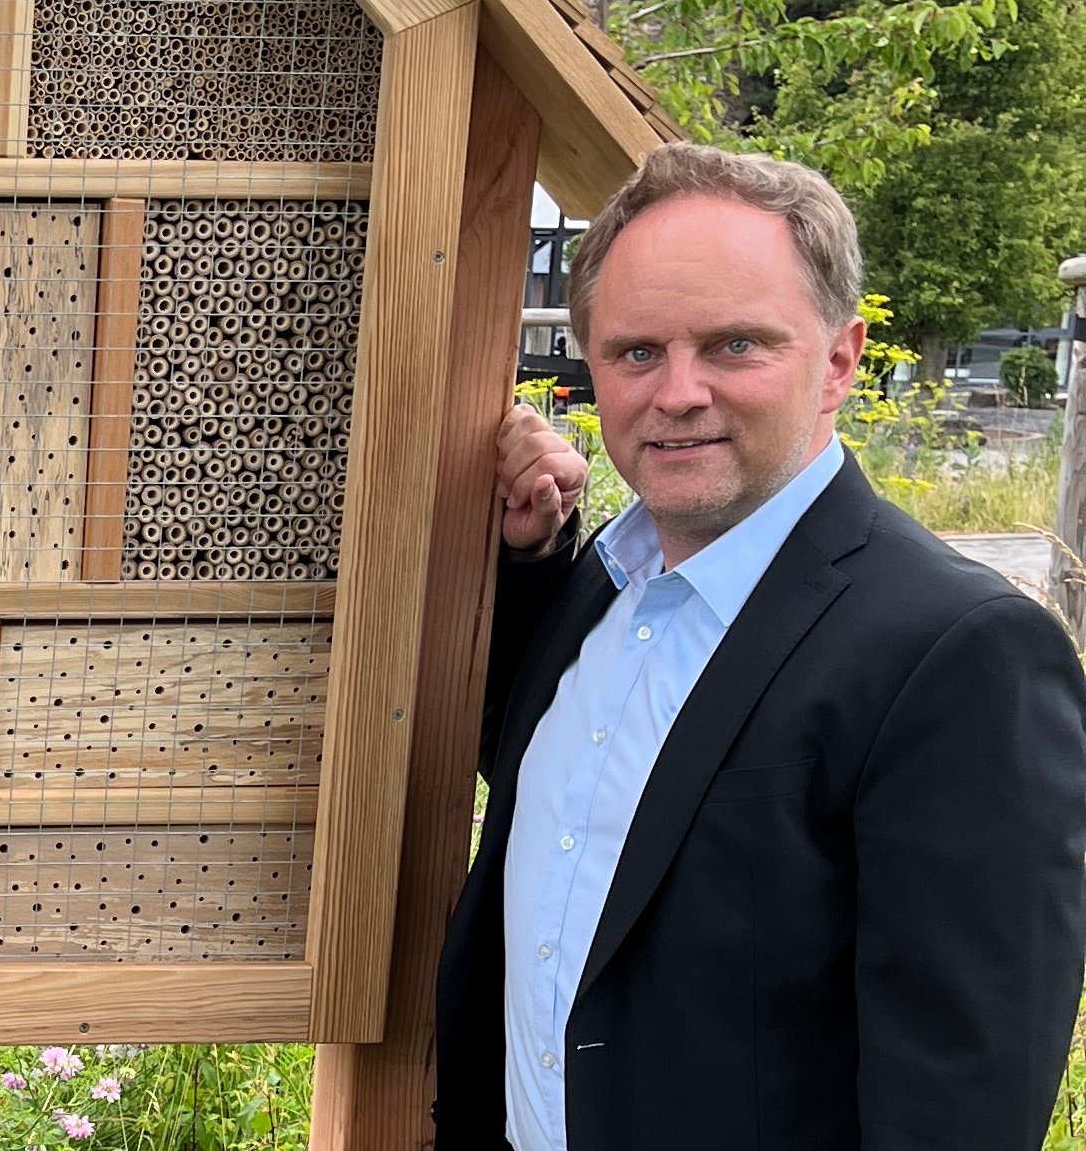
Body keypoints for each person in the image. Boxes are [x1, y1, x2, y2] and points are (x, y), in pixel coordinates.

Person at [436, 142, 1086, 1148]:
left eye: (735, 345)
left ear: (838, 361)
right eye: (636, 351)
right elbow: (575, 797)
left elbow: (960, 1105)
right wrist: (527, 561)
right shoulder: (606, 580)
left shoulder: (961, 658)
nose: (678, 391)